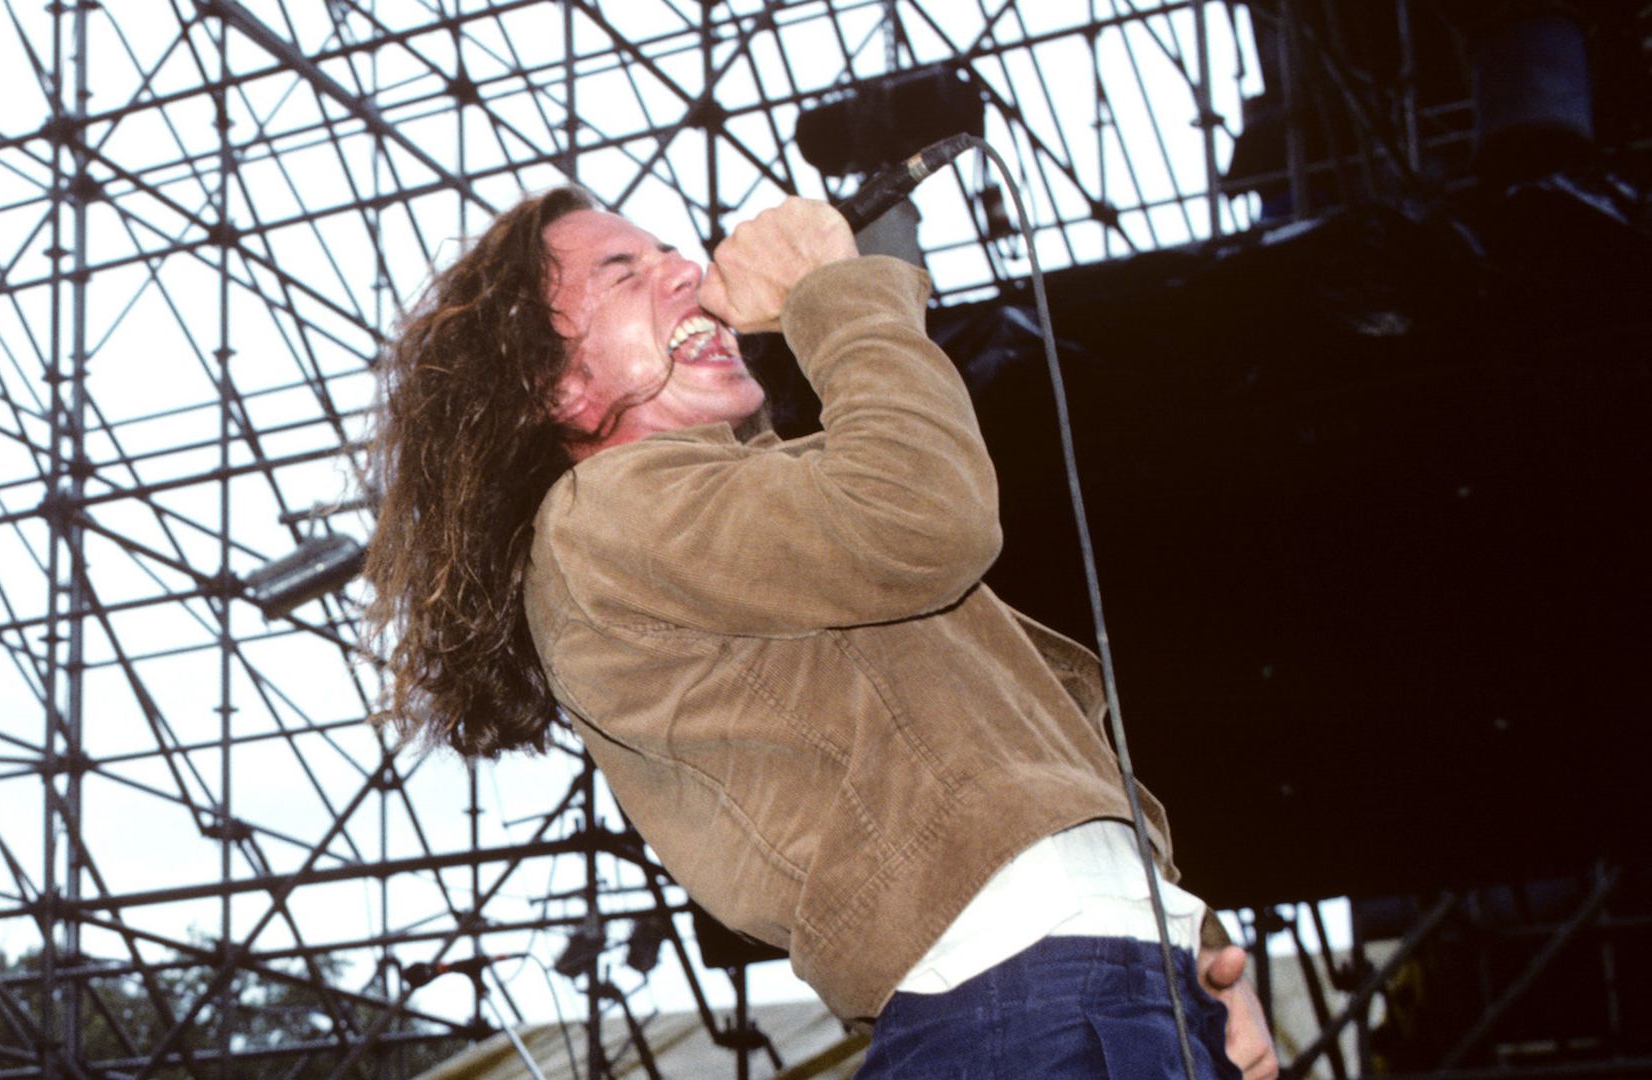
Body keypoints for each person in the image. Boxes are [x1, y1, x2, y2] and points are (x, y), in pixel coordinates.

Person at [362, 186, 1279, 1079]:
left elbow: (1039, 742)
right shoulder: (601, 517)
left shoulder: (763, 512)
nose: (686, 269)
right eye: (623, 270)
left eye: (671, 250)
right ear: (546, 382)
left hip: (1095, 989)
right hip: (1020, 999)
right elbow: (925, 515)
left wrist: (1190, 946)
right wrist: (829, 289)